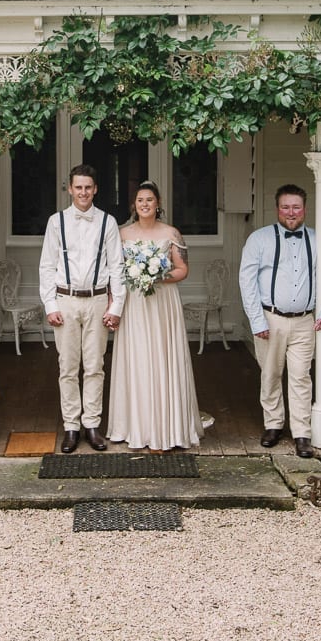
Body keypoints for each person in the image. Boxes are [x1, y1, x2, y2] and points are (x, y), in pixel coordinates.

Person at [238, 184, 321, 458]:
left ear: (305, 209)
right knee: (271, 374)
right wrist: (257, 320)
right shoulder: (259, 239)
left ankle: (302, 433)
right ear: (277, 209)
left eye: (296, 207)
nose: (291, 212)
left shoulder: (318, 240)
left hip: (304, 321)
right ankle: (273, 425)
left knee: (301, 377)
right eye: (285, 207)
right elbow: (247, 282)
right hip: (270, 319)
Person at [107, 181, 203, 451]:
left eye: (150, 200)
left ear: (158, 204)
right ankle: (134, 426)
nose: (145, 204)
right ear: (134, 205)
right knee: (136, 359)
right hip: (134, 304)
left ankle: (166, 428)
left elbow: (183, 269)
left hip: (162, 302)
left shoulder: (171, 233)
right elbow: (114, 271)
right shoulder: (122, 234)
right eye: (140, 200)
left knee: (162, 357)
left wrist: (158, 276)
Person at [39, 164, 126, 454]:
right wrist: (50, 304)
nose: (83, 192)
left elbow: (117, 266)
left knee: (95, 366)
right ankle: (71, 427)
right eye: (78, 187)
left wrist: (116, 305)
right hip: (65, 300)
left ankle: (92, 424)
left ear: (96, 189)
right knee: (67, 367)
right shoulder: (56, 222)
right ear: (70, 189)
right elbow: (47, 266)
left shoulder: (108, 222)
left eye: (88, 187)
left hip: (98, 300)